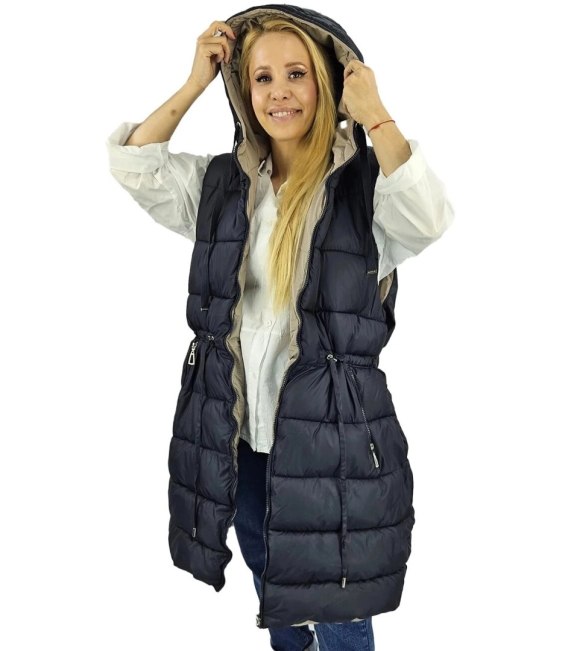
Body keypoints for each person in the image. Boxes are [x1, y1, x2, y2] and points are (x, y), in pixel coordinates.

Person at [106, 5, 455, 650]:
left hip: (334, 442)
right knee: (271, 581)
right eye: (262, 78)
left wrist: (376, 114)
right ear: (244, 90)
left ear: (328, 81)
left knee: (339, 605)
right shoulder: (223, 184)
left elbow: (427, 218)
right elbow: (135, 163)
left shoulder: (365, 186)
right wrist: (195, 82)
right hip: (239, 433)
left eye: (297, 73)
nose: (279, 92)